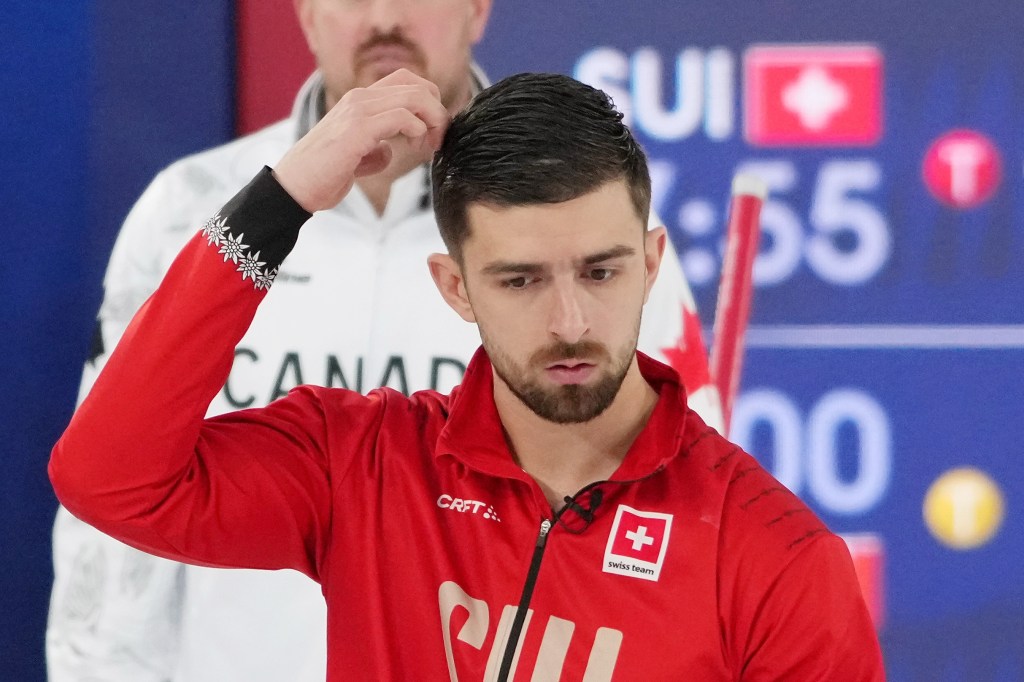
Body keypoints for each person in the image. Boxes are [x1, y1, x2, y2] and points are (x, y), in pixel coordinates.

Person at [51, 70, 883, 680]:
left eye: (601, 272)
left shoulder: (778, 561)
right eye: (521, 280)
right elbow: (109, 481)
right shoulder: (365, 467)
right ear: (456, 287)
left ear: (652, 263)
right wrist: (288, 196)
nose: (570, 323)